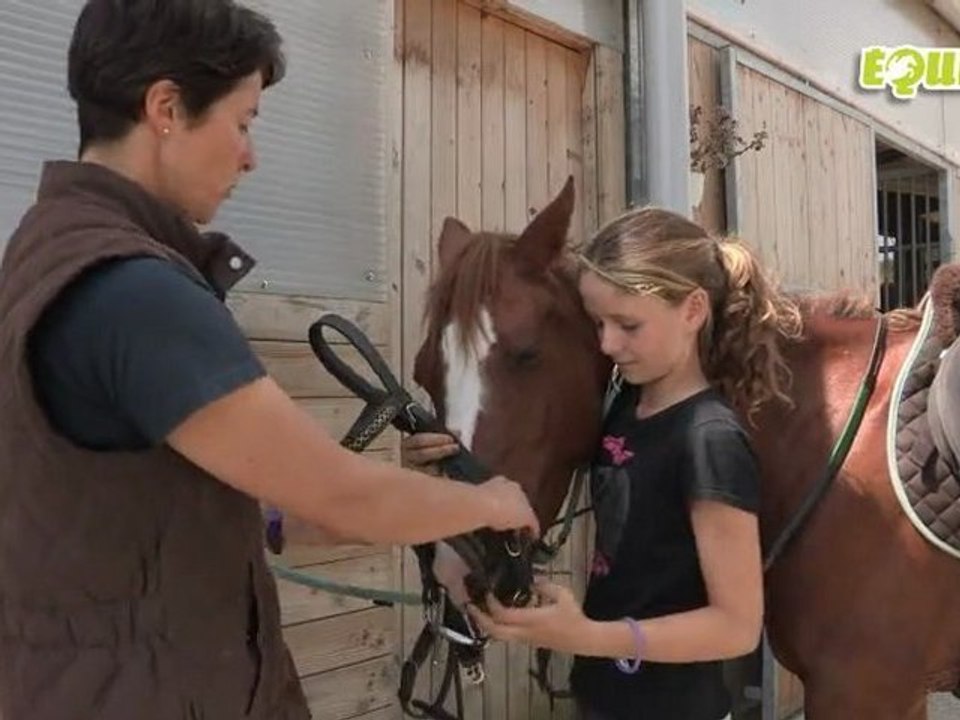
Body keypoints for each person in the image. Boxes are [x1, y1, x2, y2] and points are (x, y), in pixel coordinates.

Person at [0, 2, 537, 719]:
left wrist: (418, 513)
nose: (250, 156)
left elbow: (171, 504)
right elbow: (340, 496)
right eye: (244, 122)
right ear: (165, 108)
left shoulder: (49, 251)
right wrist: (489, 503)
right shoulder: (137, 293)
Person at [403, 207, 802, 720]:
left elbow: (737, 627)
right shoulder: (626, 407)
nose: (607, 344)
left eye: (628, 325)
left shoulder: (710, 441)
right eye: (598, 323)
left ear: (693, 310)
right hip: (604, 698)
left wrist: (587, 636)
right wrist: (442, 466)